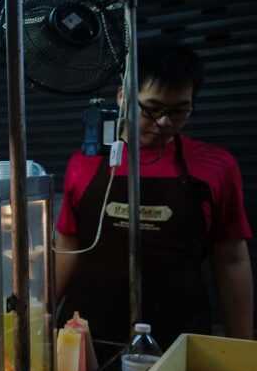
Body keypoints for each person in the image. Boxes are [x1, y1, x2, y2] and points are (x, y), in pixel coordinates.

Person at [56, 44, 253, 350]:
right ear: (122, 97)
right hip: (86, 336)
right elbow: (67, 246)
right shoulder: (86, 163)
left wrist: (243, 348)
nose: (164, 123)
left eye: (178, 111)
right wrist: (39, 319)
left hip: (179, 336)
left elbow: (231, 259)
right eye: (152, 108)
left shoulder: (216, 165)